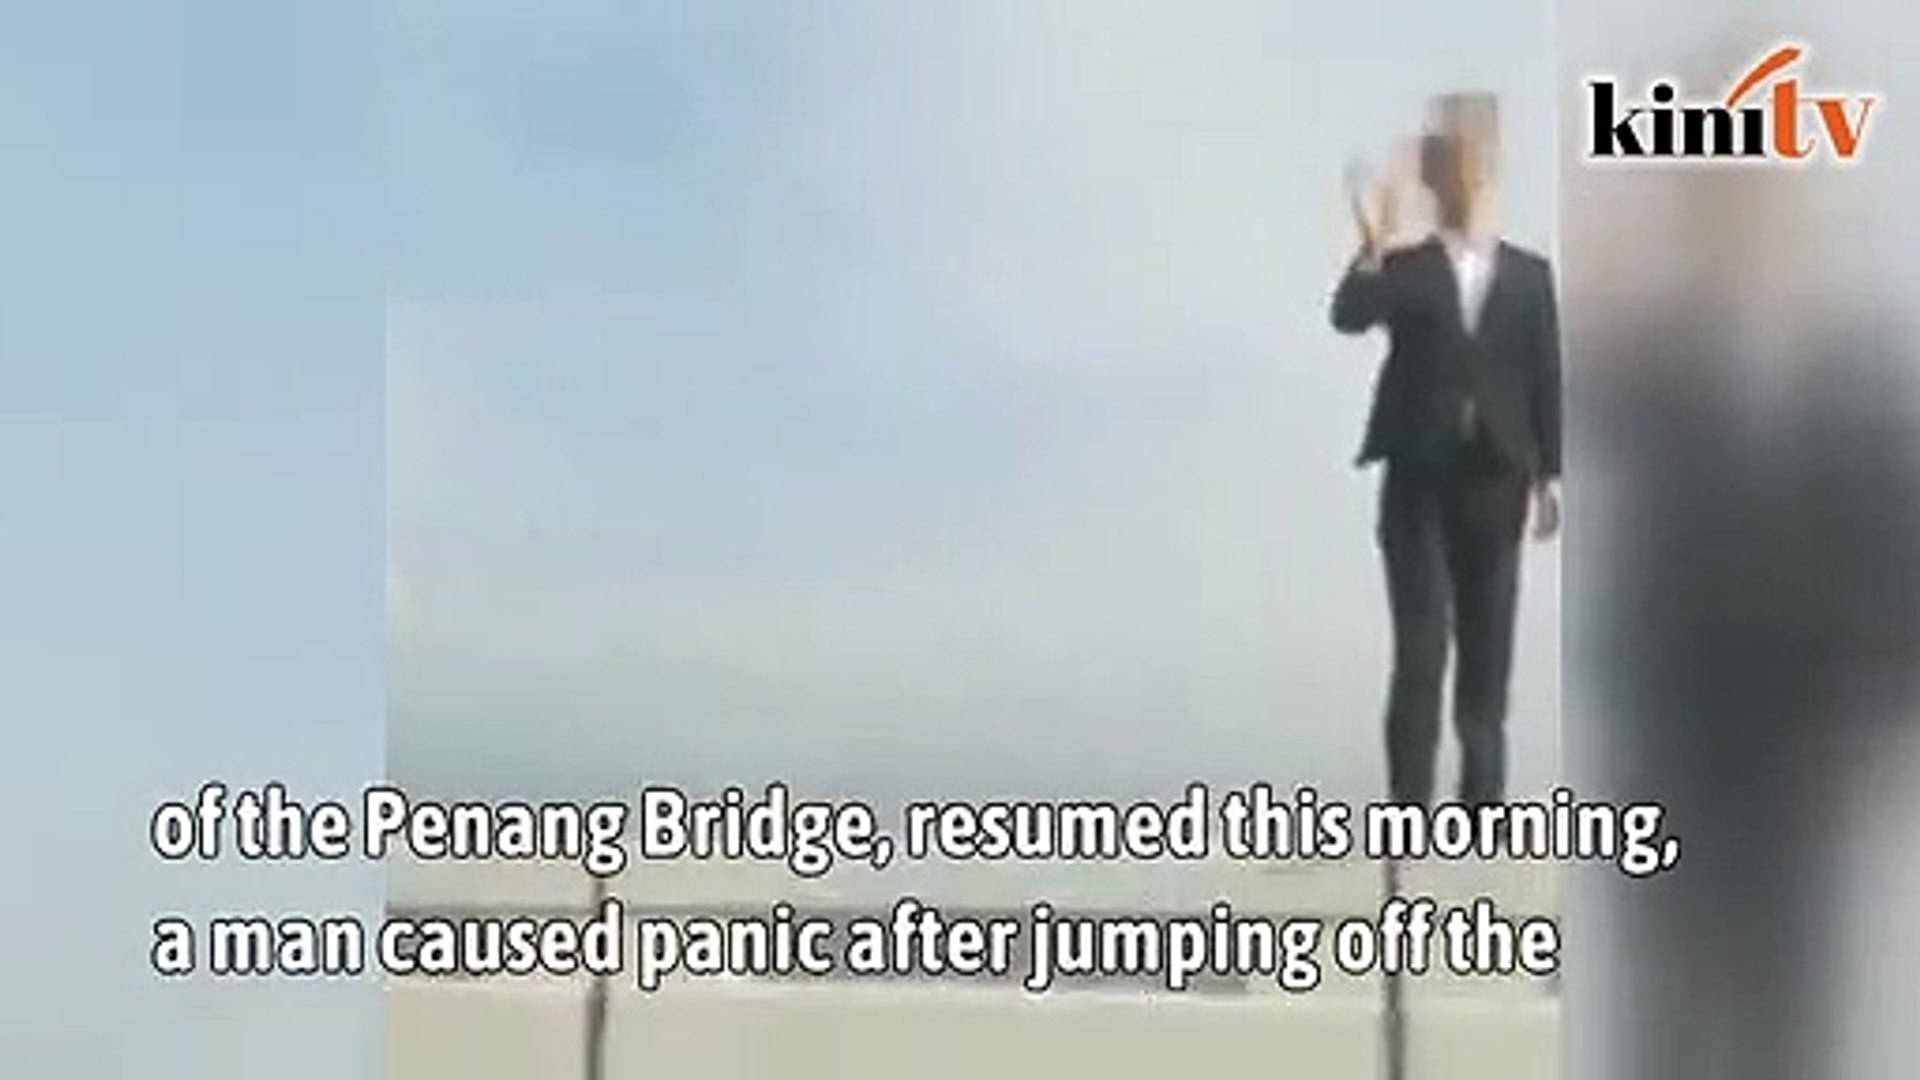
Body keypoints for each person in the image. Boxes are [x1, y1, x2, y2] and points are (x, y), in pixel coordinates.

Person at [1327, 96, 1562, 808]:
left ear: (1491, 167)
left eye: (1473, 159)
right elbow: (1349, 315)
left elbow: (1546, 374)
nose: (1463, 175)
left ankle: (1483, 806)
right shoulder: (1408, 268)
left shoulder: (1529, 276)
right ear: (1434, 177)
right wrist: (1373, 244)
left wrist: (1551, 475)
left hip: (1498, 479)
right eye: (1449, 161)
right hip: (1418, 483)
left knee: (1487, 658)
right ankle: (1410, 808)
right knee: (1422, 652)